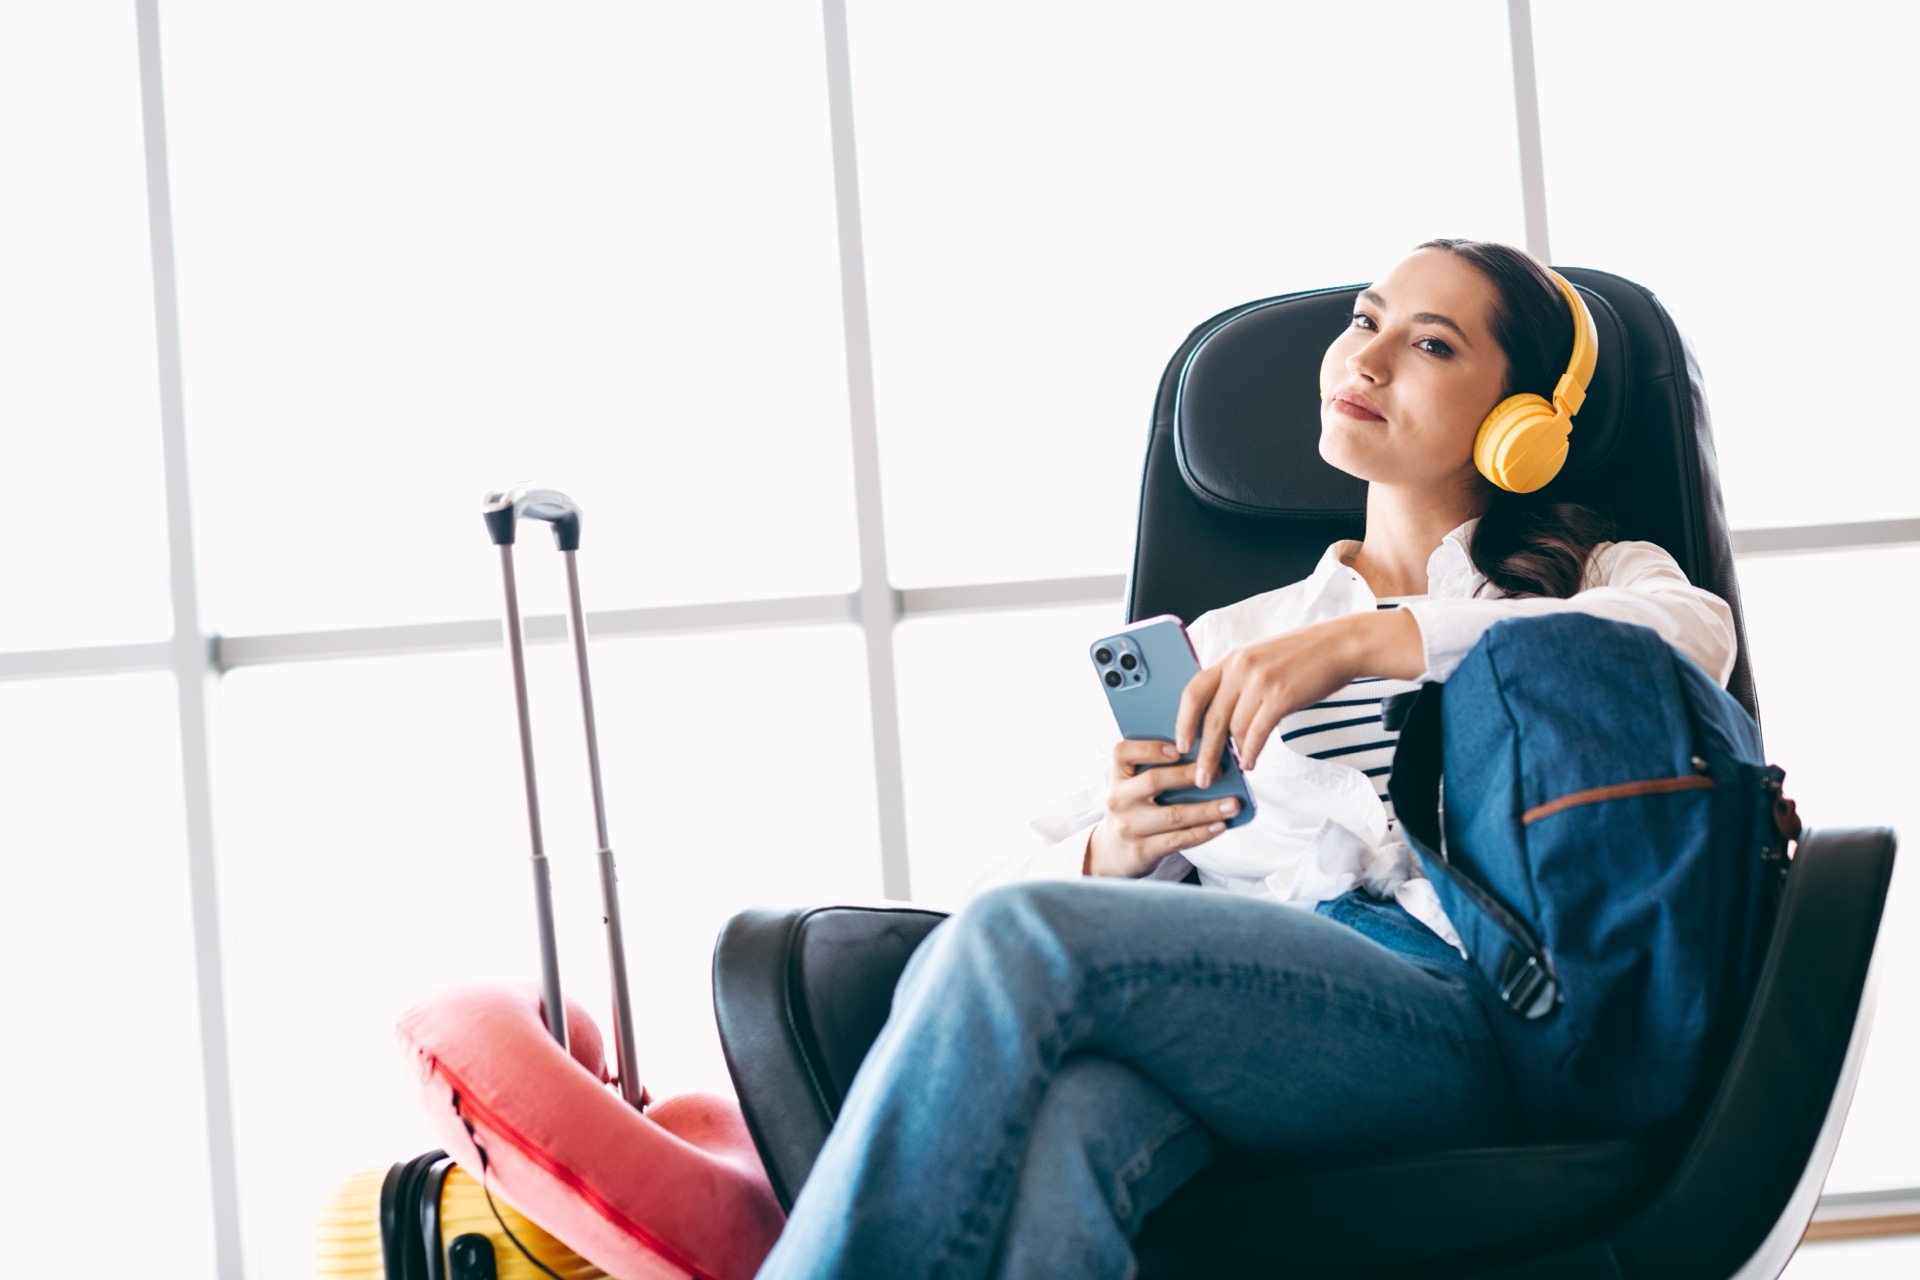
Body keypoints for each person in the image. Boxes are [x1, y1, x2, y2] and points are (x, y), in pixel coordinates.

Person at [753, 240, 1736, 1279]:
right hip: (1265, 1015)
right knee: (1071, 1124)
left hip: (1478, 1014)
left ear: (1518, 422)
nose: (1367, 357)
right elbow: (982, 914)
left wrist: (1372, 638)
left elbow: (1689, 637)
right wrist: (1114, 845)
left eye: (1430, 343)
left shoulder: (1587, 578)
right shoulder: (1230, 641)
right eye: (1366, 321)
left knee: (1024, 939)